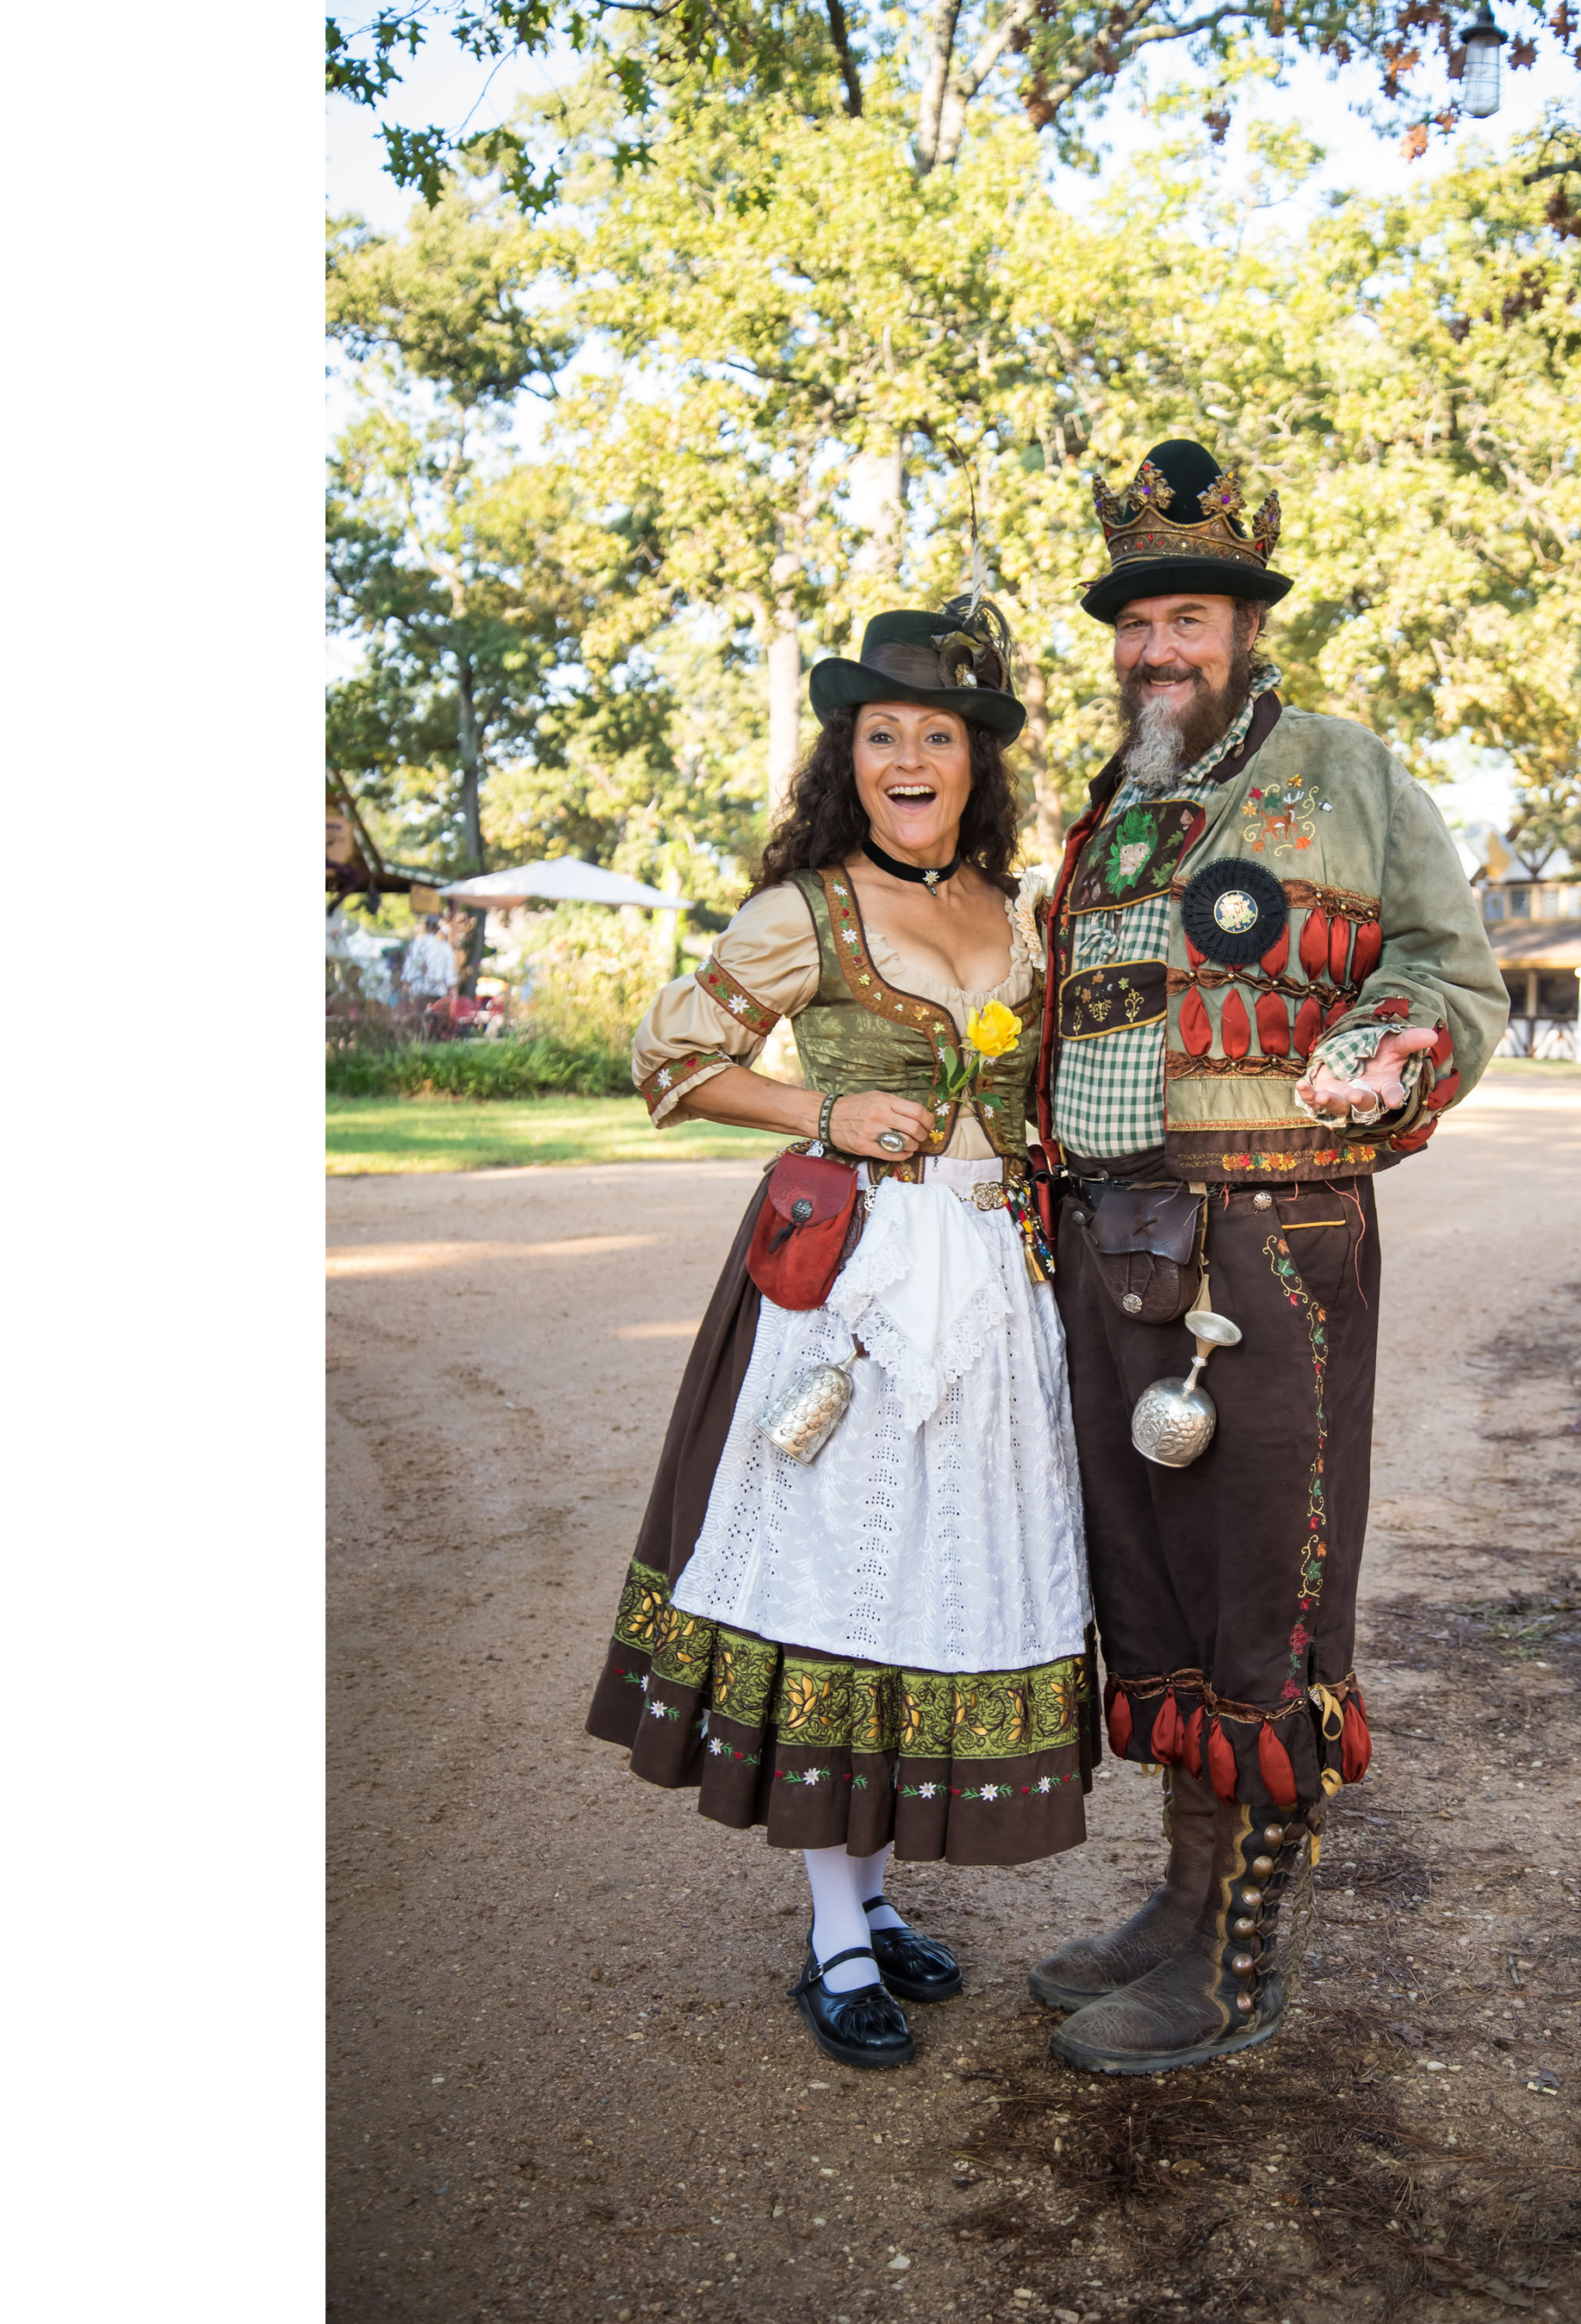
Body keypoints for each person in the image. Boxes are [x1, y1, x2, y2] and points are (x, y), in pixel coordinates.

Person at [1022, 439, 1510, 2075]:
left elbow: (1452, 972)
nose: (1158, 651)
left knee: (1265, 1597)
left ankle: (1244, 1960)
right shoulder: (1111, 807)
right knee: (1145, 1578)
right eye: (1136, 624)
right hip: (1111, 1234)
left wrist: (1392, 1044)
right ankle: (1175, 1901)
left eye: (1188, 621)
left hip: (1273, 1241)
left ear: (1242, 625)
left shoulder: (1347, 771)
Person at [583, 598, 1091, 2074]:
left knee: (931, 1572)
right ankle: (835, 1935)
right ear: (849, 757)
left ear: (974, 762)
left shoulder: (1019, 911)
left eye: (940, 734)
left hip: (996, 1286)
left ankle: (873, 1894)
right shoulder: (802, 912)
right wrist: (821, 1110)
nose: (912, 757)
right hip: (857, 1290)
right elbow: (667, 1055)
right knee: (838, 1577)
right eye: (885, 735)